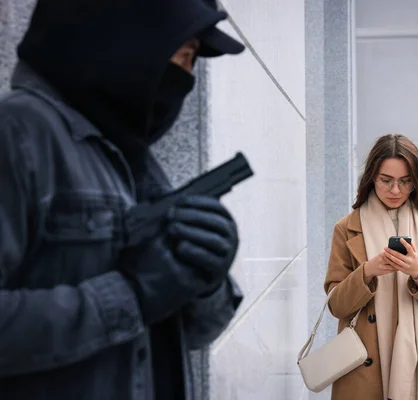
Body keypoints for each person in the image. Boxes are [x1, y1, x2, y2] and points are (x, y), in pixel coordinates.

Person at [0, 0, 246, 399]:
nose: (185, 78)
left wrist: (206, 280)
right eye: (181, 58)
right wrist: (130, 296)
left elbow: (192, 334)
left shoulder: (130, 154)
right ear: (126, 40)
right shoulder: (19, 134)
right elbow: (137, 303)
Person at [324, 134, 418, 400]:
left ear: (416, 182)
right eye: (386, 180)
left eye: (405, 181)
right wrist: (367, 272)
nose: (395, 190)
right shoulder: (347, 228)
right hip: (362, 367)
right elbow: (336, 305)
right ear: (372, 177)